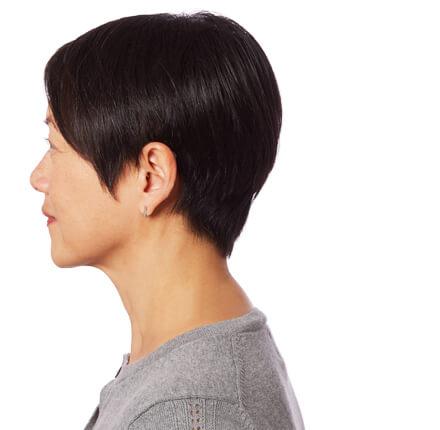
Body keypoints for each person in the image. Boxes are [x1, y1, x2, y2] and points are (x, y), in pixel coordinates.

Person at [30, 11, 305, 429]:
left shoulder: (190, 411)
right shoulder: (189, 373)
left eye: (56, 145)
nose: (38, 177)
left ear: (151, 176)